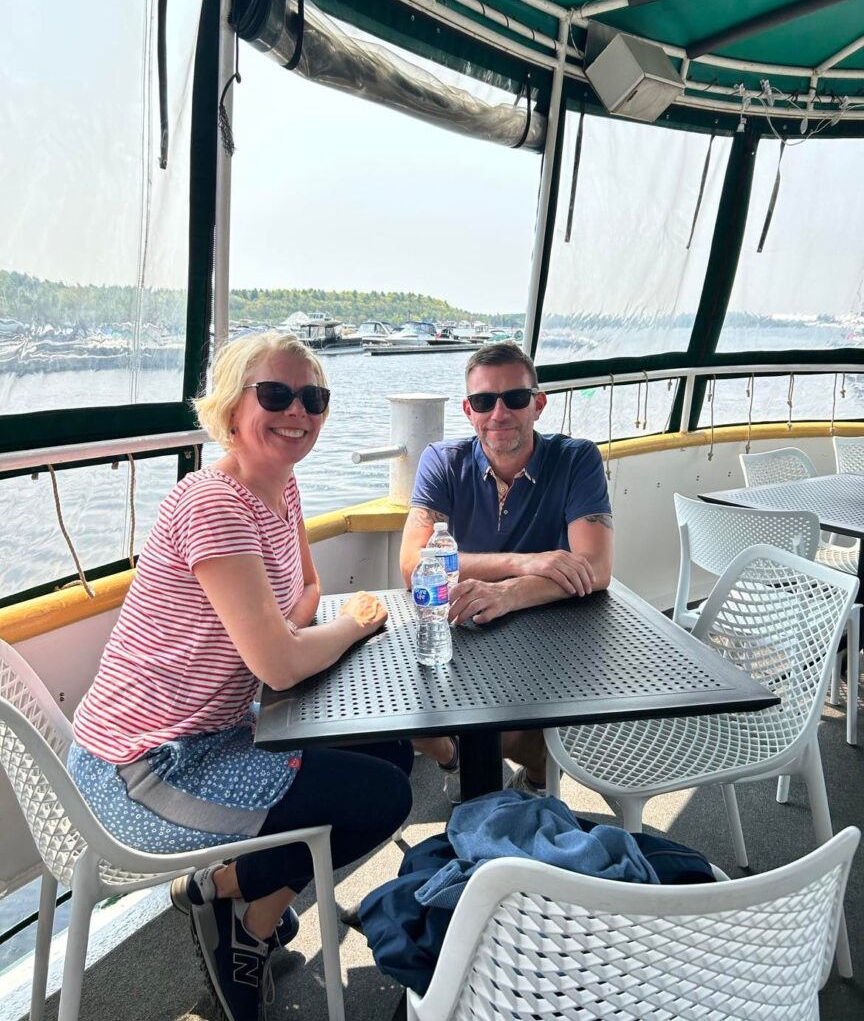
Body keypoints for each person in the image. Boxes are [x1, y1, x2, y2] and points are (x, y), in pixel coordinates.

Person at [69, 331, 413, 1021]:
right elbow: (280, 661)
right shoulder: (215, 503)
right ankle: (247, 925)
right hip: (145, 770)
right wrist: (355, 625)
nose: (299, 412)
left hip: (219, 734)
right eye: (277, 394)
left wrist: (293, 628)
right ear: (231, 410)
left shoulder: (281, 487)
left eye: (313, 398)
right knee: (378, 799)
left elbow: (307, 589)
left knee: (393, 753)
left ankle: (224, 889)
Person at [399, 341, 613, 802]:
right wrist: (527, 562)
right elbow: (413, 563)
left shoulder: (577, 460)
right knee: (405, 713)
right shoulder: (442, 461)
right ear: (468, 410)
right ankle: (458, 761)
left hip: (548, 633)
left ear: (538, 404)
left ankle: (531, 782)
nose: (499, 413)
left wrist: (511, 593)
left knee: (524, 736)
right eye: (483, 401)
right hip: (464, 625)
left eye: (514, 398)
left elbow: (595, 568)